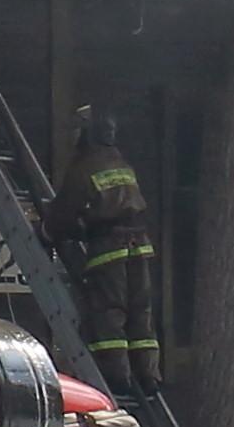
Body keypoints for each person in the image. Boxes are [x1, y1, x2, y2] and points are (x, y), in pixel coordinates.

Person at [59, 110, 167, 397]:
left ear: (86, 134)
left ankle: (118, 376)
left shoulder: (85, 167)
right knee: (141, 313)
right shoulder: (121, 163)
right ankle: (148, 375)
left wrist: (51, 231)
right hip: (139, 245)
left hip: (109, 248)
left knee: (110, 311)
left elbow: (64, 213)